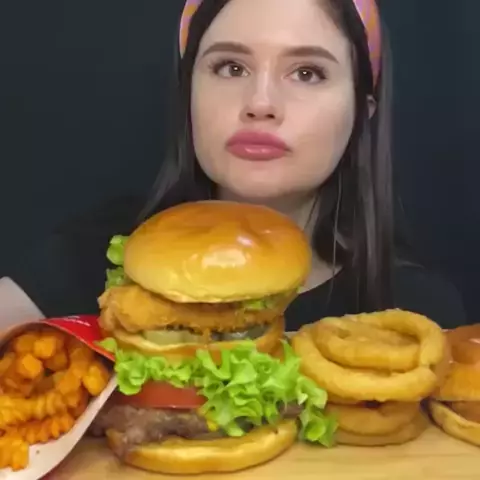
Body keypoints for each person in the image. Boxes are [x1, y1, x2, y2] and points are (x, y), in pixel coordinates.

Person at [0, 0, 466, 330]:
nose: (260, 103)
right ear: (189, 93)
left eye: (307, 73)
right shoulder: (98, 252)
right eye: (231, 67)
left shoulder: (417, 310)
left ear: (362, 113)